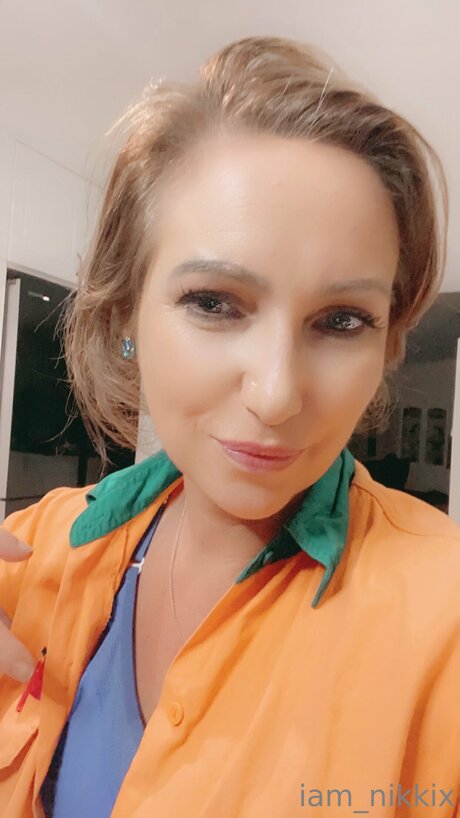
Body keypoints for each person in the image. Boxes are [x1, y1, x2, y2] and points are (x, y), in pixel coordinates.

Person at [0, 34, 459, 818]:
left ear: (387, 343)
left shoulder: (442, 621)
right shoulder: (35, 552)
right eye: (214, 303)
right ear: (127, 313)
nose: (276, 395)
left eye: (341, 320)